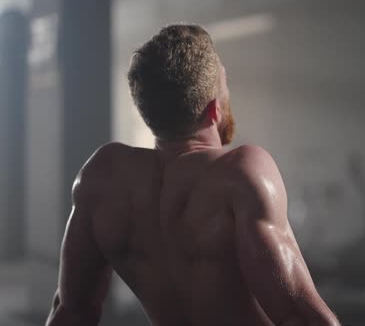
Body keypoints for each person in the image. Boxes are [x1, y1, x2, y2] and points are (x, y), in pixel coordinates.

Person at [45, 24, 339, 326]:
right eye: (225, 84)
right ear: (214, 109)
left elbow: (70, 313)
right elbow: (296, 313)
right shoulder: (241, 173)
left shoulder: (102, 177)